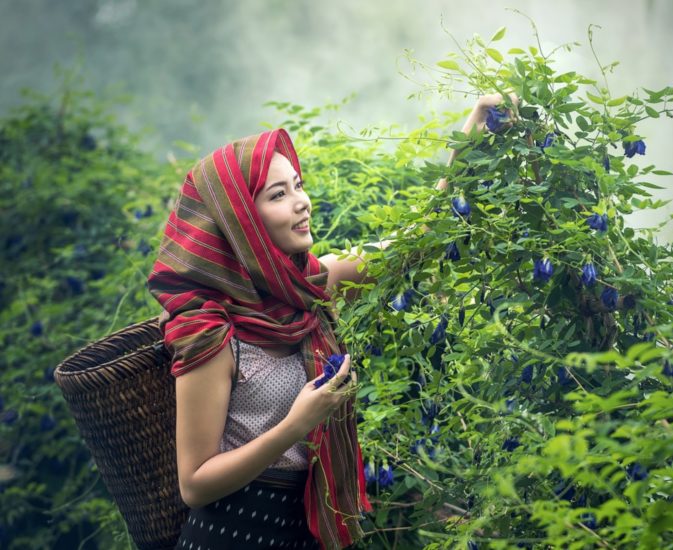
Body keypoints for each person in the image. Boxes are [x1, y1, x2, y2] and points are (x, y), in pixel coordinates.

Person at [147, 93, 514, 550]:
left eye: (298, 185)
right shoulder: (209, 329)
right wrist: (294, 428)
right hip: (234, 532)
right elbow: (195, 483)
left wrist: (475, 128)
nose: (301, 202)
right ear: (241, 222)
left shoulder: (310, 285)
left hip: (304, 528)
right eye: (278, 195)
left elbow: (421, 237)